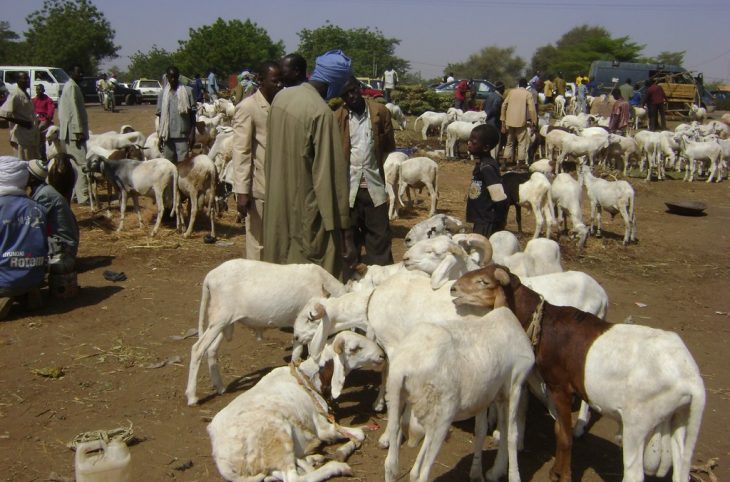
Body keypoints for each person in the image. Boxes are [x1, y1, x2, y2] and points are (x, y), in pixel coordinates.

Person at [262, 49, 355, 281]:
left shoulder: (281, 99)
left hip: (276, 206)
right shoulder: (321, 113)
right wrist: (345, 232)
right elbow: (330, 178)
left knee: (278, 279)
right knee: (312, 284)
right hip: (307, 214)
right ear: (338, 82)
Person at [335, 76, 395, 268]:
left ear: (360, 88)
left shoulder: (379, 112)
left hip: (373, 185)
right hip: (349, 187)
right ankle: (351, 281)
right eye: (345, 94)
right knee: (349, 236)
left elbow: (387, 147)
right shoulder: (338, 117)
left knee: (379, 235)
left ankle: (381, 279)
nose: (351, 96)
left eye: (353, 90)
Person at [231, 61, 283, 260]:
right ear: (261, 81)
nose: (279, 85)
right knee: (257, 243)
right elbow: (241, 152)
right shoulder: (248, 108)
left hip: (280, 187)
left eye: (281, 82)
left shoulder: (281, 105)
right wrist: (242, 191)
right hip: (258, 188)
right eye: (275, 81)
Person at [0, 156, 48, 319]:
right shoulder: (37, 208)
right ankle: (28, 293)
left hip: (5, 279)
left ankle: (7, 293)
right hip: (34, 276)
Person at [26, 158, 79, 274]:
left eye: (26, 174)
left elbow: (34, 227)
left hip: (64, 251)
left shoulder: (44, 195)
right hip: (62, 245)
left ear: (32, 178)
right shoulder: (44, 191)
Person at [466, 124, 507, 237]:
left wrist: (500, 222)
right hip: (480, 219)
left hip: (487, 222)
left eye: (473, 142)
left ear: (485, 147)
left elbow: (499, 197)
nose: (469, 144)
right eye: (469, 140)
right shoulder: (481, 165)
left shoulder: (487, 168)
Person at [57, 65, 89, 203]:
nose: (81, 75)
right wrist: (78, 131)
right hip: (74, 132)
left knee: (74, 164)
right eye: (78, 72)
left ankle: (75, 194)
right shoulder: (73, 87)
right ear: (71, 73)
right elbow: (74, 111)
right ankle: (83, 196)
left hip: (68, 131)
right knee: (82, 164)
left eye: (82, 72)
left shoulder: (68, 86)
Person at [156, 65, 196, 164]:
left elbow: (192, 115)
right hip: (167, 136)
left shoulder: (187, 91)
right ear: (167, 77)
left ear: (178, 77)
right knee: (168, 165)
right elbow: (161, 116)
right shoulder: (162, 94)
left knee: (183, 164)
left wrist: (192, 134)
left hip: (182, 135)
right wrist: (160, 136)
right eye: (171, 77)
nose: (173, 79)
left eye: (175, 77)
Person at [0, 71, 40, 161]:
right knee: (23, 163)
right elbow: (3, 114)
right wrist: (22, 122)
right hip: (21, 136)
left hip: (31, 135)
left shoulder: (25, 93)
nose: (27, 81)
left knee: (33, 163)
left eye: (28, 78)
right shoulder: (15, 94)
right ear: (18, 80)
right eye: (24, 79)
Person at [500, 78, 537, 166]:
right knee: (522, 142)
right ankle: (520, 163)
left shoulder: (511, 92)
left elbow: (504, 105)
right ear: (526, 85)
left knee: (509, 142)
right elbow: (532, 109)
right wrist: (534, 121)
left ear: (519, 84)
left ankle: (504, 163)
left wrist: (503, 119)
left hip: (509, 121)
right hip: (521, 122)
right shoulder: (528, 94)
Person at [32, 84, 55, 161]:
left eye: (40, 90)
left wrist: (48, 116)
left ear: (44, 90)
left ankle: (42, 152)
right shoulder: (34, 100)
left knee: (40, 128)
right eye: (37, 90)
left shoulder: (48, 100)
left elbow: (50, 110)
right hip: (35, 118)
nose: (39, 91)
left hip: (44, 119)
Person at [482, 80, 505, 157]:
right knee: (496, 141)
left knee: (487, 140)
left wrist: (487, 116)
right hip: (494, 121)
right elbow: (495, 109)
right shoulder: (498, 98)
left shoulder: (490, 95)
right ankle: (494, 158)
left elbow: (484, 105)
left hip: (487, 120)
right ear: (501, 89)